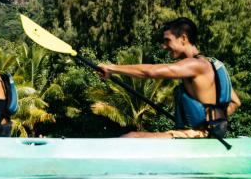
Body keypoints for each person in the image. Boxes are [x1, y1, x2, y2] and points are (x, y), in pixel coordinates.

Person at [98, 18, 240, 139]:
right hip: (209, 136)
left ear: (183, 38)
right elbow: (235, 102)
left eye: (168, 41)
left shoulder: (195, 65)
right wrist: (213, 122)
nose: (164, 46)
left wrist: (111, 68)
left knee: (132, 137)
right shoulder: (212, 64)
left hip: (200, 136)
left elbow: (151, 72)